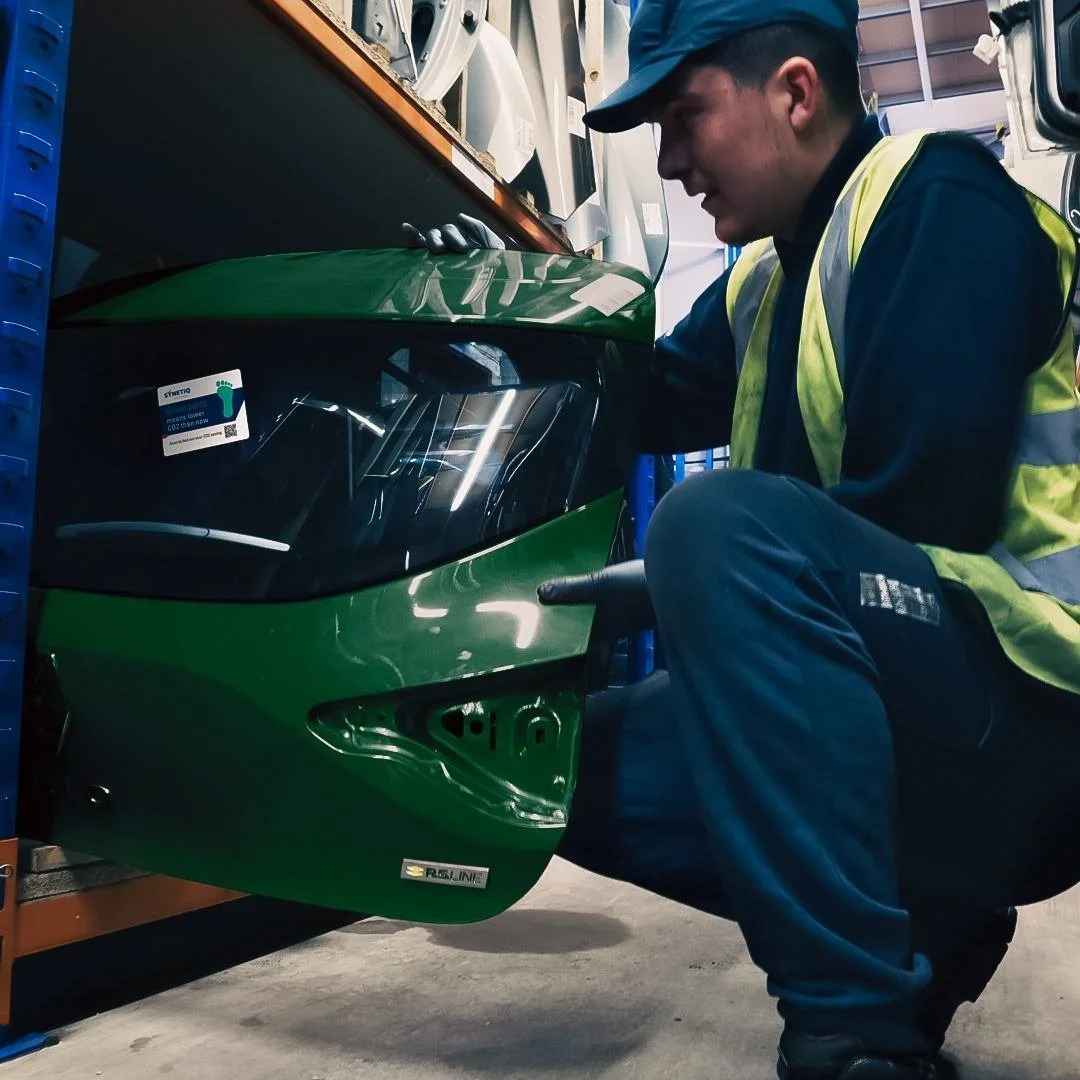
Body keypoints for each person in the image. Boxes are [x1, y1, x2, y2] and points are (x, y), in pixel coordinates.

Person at [404, 1, 1080, 1077]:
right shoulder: (769, 276)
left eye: (684, 119)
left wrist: (683, 576)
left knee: (711, 522)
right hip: (918, 694)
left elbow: (923, 508)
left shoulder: (941, 205)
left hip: (1034, 723)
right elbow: (648, 399)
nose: (671, 163)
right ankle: (930, 924)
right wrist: (506, 324)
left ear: (796, 94)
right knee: (549, 769)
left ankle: (856, 1029)